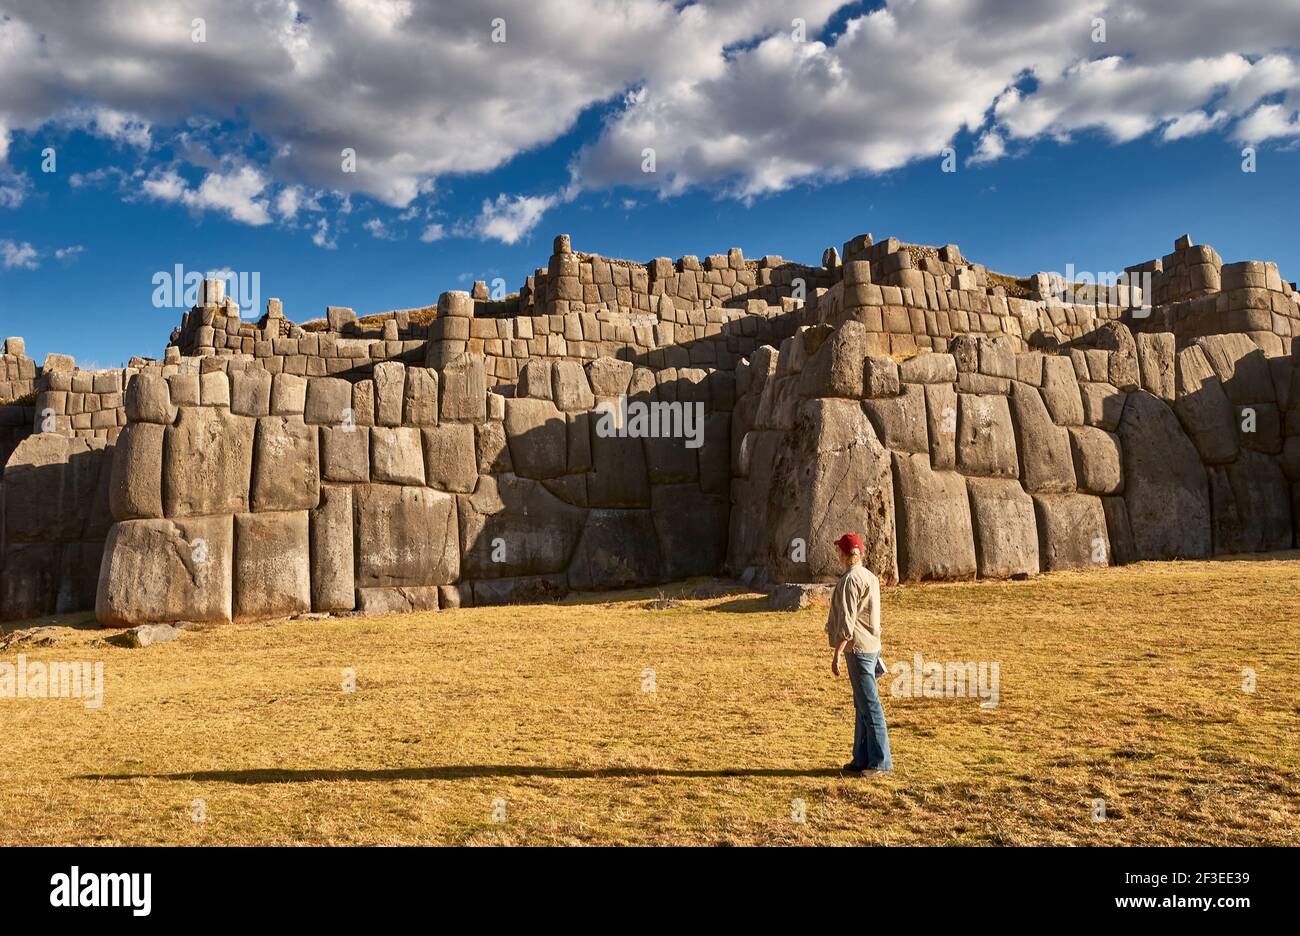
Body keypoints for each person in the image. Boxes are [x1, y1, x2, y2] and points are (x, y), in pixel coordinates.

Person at [825, 532, 892, 775]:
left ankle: (880, 762)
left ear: (845, 554)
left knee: (870, 705)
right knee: (862, 704)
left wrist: (838, 653)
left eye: (839, 551)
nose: (838, 555)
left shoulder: (850, 580)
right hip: (871, 646)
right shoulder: (870, 577)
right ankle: (862, 758)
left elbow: (847, 620)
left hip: (859, 649)